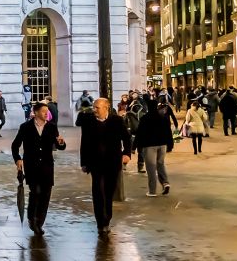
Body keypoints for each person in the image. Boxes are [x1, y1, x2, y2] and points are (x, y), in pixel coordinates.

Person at [76, 98, 131, 236]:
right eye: (94, 107)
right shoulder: (88, 121)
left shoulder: (117, 121)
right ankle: (101, 221)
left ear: (106, 108)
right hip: (95, 164)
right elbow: (84, 142)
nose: (94, 110)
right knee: (98, 192)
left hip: (112, 163)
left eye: (97, 107)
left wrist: (127, 154)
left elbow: (126, 138)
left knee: (108, 192)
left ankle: (107, 218)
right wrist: (84, 162)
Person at [12, 102, 66, 235]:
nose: (46, 114)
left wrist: (61, 143)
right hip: (32, 166)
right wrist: (18, 159)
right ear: (35, 113)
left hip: (47, 166)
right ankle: (32, 219)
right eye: (43, 111)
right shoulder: (25, 127)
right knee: (35, 192)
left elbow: (59, 146)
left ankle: (39, 222)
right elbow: (15, 145)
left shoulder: (52, 127)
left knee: (46, 194)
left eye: (47, 111)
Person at [135, 101, 173, 196]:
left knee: (151, 167)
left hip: (150, 146)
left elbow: (139, 133)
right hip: (163, 145)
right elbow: (168, 132)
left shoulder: (145, 118)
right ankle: (165, 183)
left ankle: (152, 191)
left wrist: (134, 146)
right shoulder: (163, 118)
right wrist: (170, 145)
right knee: (160, 164)